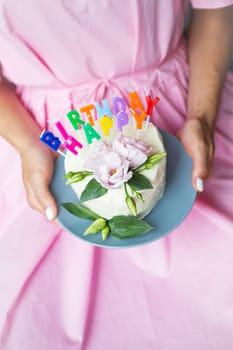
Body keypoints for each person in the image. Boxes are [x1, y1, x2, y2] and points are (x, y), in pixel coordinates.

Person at [0, 1, 233, 349]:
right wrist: (29, 146)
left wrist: (200, 117)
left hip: (183, 108)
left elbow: (214, 8)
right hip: (42, 139)